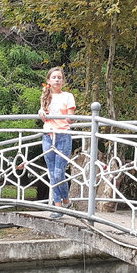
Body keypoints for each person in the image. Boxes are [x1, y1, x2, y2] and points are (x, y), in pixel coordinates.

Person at [38, 67, 77, 218]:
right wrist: (42, 113)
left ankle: (66, 201)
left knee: (59, 172)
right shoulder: (45, 96)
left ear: (63, 80)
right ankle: (59, 207)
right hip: (48, 135)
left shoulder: (68, 96)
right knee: (52, 173)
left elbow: (70, 118)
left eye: (59, 77)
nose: (57, 79)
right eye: (54, 77)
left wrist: (57, 116)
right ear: (48, 80)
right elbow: (43, 115)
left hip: (63, 136)